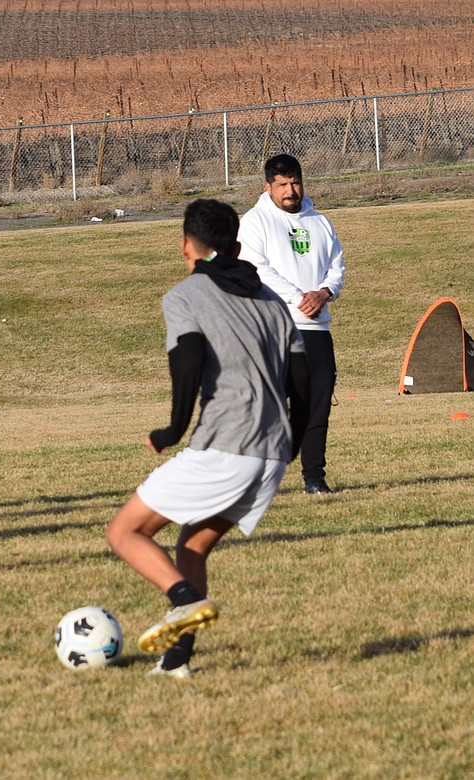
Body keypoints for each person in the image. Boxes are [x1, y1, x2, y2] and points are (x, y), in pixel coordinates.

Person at [105, 199, 309, 678]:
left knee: (124, 531)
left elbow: (189, 358)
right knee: (192, 547)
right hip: (271, 453)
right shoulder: (270, 300)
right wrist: (292, 445)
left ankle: (182, 601)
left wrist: (173, 429)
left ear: (185, 246)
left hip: (227, 446)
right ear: (235, 246)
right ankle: (177, 662)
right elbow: (304, 378)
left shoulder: (185, 296)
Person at [238, 153, 344, 494]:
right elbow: (256, 269)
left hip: (316, 329)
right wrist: (301, 297)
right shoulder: (255, 221)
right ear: (268, 186)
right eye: (282, 184)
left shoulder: (321, 222)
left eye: (295, 182)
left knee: (317, 405)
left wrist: (325, 292)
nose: (290, 190)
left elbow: (336, 266)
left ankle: (314, 478)